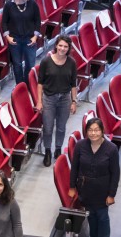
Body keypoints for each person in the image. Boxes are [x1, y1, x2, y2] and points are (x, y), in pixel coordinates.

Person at [69, 118, 120, 237]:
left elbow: (115, 173)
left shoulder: (111, 149)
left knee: (102, 218)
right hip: (85, 190)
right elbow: (74, 168)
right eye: (90, 130)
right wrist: (72, 187)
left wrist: (112, 194)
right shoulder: (80, 145)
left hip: (102, 192)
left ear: (102, 131)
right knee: (91, 217)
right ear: (86, 131)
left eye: (97, 130)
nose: (93, 133)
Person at [36, 35, 77, 167]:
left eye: (65, 46)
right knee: (48, 128)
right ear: (56, 46)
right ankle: (48, 150)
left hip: (65, 99)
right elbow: (40, 83)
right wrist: (39, 101)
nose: (62, 48)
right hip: (48, 99)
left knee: (61, 127)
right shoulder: (46, 62)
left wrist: (74, 101)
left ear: (68, 48)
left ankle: (58, 149)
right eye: (60, 45)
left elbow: (73, 84)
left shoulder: (72, 63)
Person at [1, 0, 41, 84]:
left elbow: (37, 21)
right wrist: (8, 37)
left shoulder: (32, 4)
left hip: (29, 39)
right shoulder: (9, 5)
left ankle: (27, 84)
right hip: (14, 39)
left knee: (30, 64)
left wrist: (35, 36)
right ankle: (20, 86)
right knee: (17, 64)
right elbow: (4, 22)